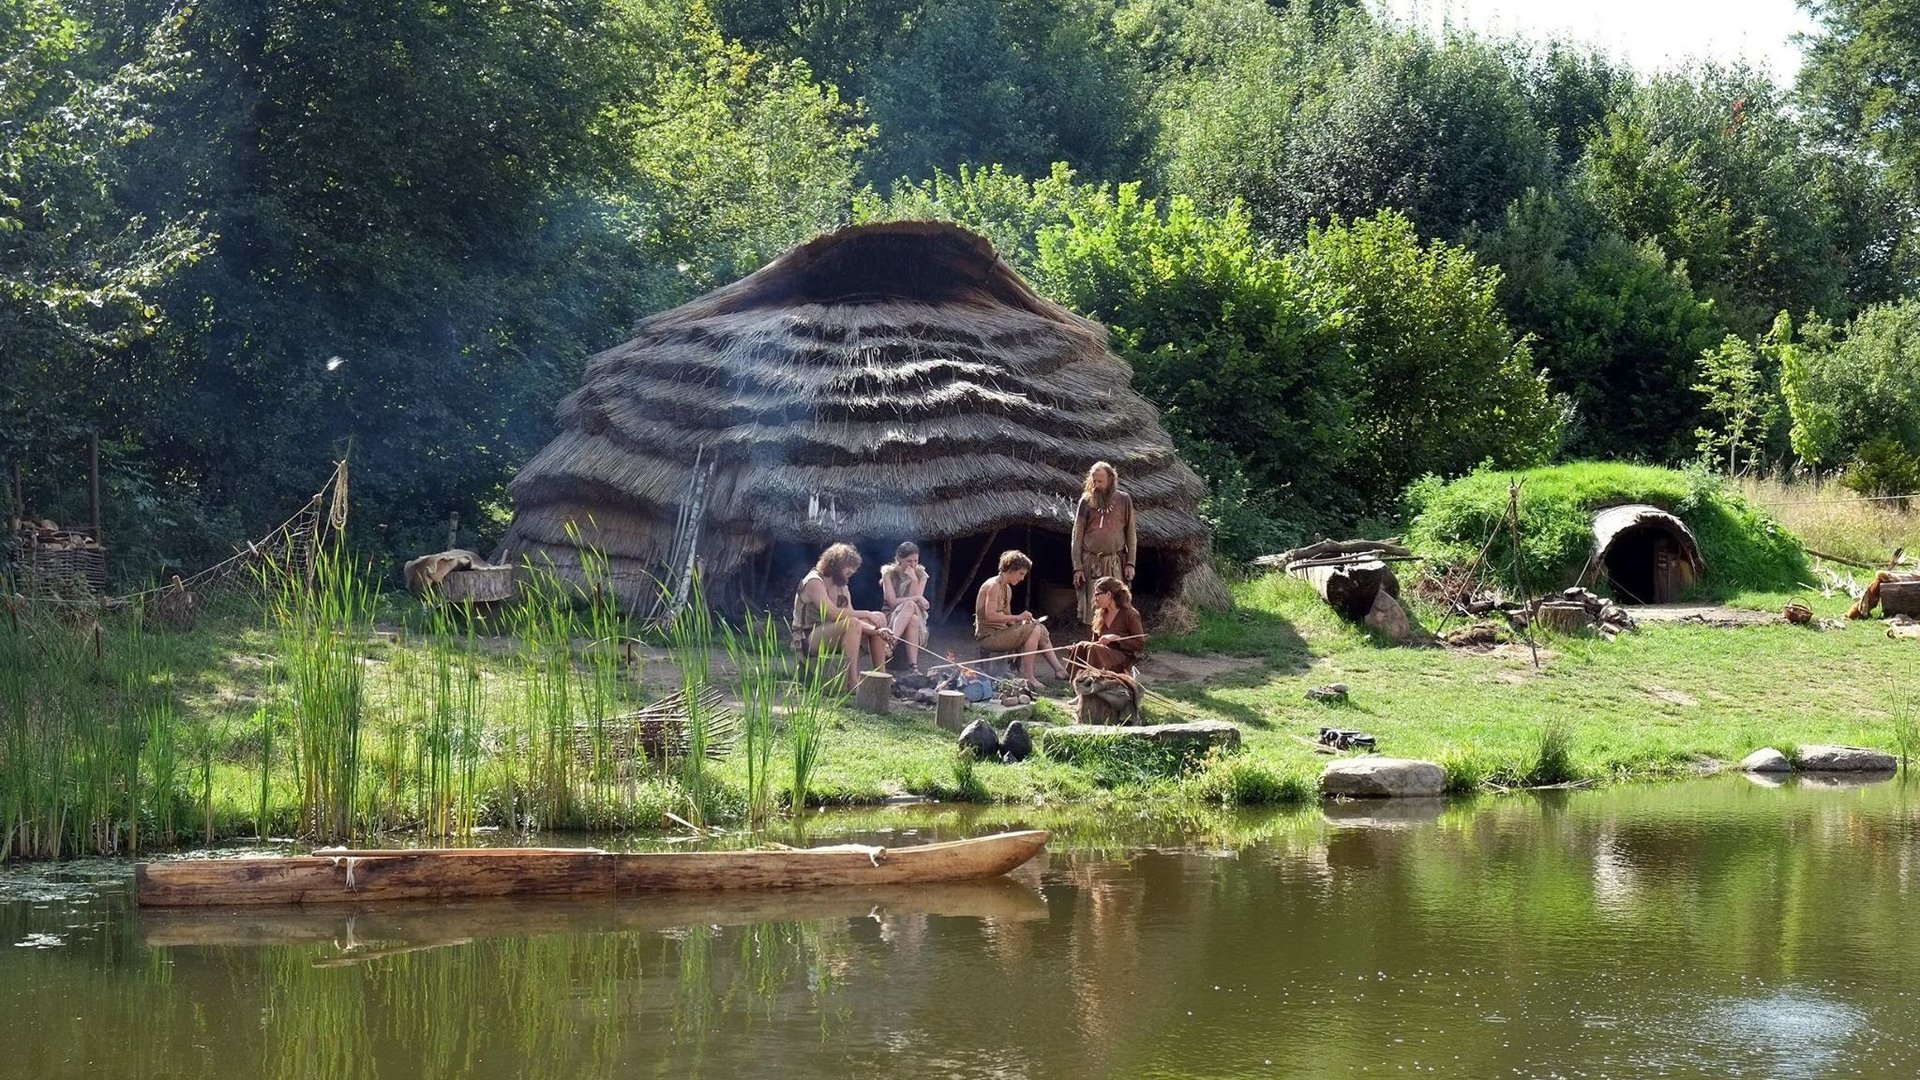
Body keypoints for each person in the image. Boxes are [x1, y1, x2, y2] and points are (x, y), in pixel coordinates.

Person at [793, 542, 894, 693]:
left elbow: (853, 618)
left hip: (832, 633)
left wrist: (877, 630)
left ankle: (881, 678)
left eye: (854, 567)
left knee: (878, 617)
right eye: (849, 566)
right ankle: (851, 683)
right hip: (807, 638)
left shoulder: (842, 587)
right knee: (855, 622)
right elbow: (832, 613)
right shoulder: (814, 581)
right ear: (836, 564)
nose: (853, 571)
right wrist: (866, 613)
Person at [974, 549, 1067, 684]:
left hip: (1001, 633)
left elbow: (1007, 618)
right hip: (989, 637)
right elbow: (990, 616)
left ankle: (1059, 670)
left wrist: (1023, 622)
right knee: (1034, 630)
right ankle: (1029, 677)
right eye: (1021, 573)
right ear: (1011, 569)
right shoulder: (993, 585)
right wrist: (1018, 618)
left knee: (1038, 628)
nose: (1022, 578)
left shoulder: (1007, 588)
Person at [1071, 461, 1137, 626]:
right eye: (1094, 481)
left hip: (1115, 562)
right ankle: (1094, 646)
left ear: (1110, 480)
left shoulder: (1124, 500)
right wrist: (1077, 567)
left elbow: (1131, 535)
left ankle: (1113, 646)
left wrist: (1130, 563)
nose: (1096, 485)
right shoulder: (1085, 502)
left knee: (1116, 606)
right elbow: (1076, 537)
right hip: (1091, 563)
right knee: (1092, 609)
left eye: (1100, 481)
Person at [1068, 576, 1146, 673]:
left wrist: (1117, 638)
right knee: (1081, 645)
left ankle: (1093, 678)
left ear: (1109, 594)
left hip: (1122, 659)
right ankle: (1077, 679)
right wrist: (1079, 648)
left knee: (1093, 649)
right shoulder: (1100, 614)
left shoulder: (1130, 614)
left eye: (1097, 595)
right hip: (1101, 655)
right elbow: (1095, 643)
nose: (1094, 599)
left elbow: (1140, 644)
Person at [880, 541, 931, 673]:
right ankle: (913, 666)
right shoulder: (888, 574)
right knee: (911, 611)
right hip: (891, 616)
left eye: (915, 561)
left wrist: (914, 581)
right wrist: (918, 598)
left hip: (914, 614)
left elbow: (915, 603)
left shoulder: (921, 574)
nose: (913, 565)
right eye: (909, 561)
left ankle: (891, 644)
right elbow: (892, 602)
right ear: (898, 559)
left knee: (912, 613)